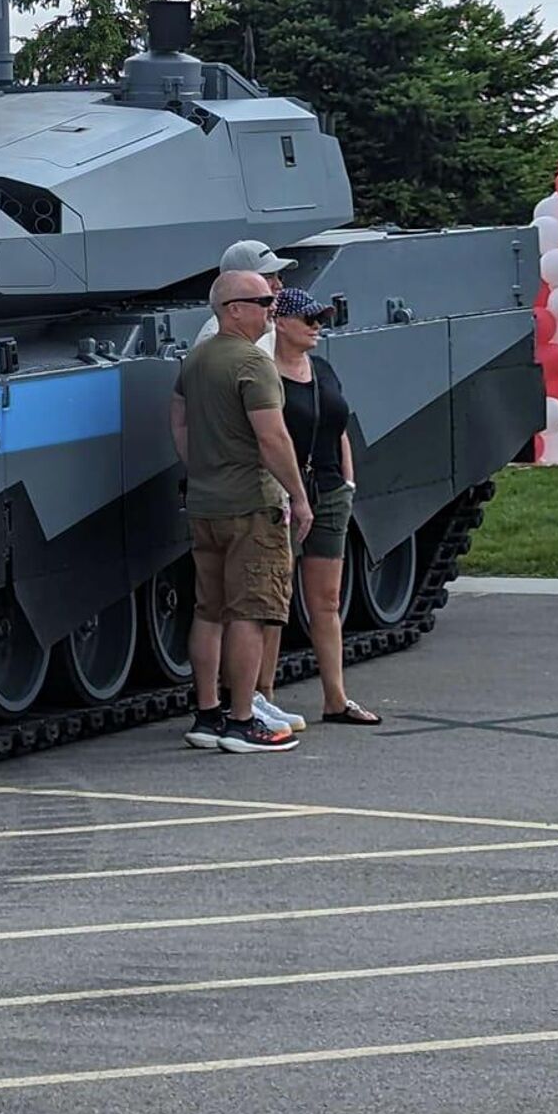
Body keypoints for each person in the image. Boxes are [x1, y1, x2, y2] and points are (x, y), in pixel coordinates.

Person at [171, 269, 313, 754]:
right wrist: (298, 494)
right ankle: (242, 720)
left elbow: (180, 418)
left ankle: (208, 713)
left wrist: (202, 467)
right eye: (261, 300)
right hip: (252, 504)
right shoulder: (253, 362)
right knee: (251, 611)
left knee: (209, 610)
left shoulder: (196, 359)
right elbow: (272, 437)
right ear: (233, 309)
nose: (271, 307)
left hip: (206, 502)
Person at [272, 285, 381, 726]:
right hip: (283, 494)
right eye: (308, 319)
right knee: (275, 598)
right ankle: (262, 695)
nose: (318, 326)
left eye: (321, 318)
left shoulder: (322, 369)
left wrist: (348, 481)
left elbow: (339, 426)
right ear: (280, 323)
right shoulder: (264, 373)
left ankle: (335, 697)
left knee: (327, 598)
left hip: (330, 489)